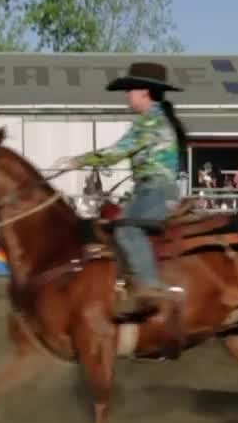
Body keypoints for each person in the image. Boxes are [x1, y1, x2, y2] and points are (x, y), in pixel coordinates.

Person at [62, 62, 187, 319]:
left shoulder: (149, 121)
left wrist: (77, 161)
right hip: (148, 189)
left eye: (129, 89)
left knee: (127, 227)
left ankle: (149, 286)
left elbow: (116, 152)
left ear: (144, 91)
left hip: (156, 191)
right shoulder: (154, 119)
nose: (126, 95)